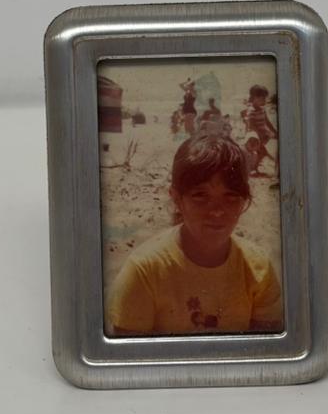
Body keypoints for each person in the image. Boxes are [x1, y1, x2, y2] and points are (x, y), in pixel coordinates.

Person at [106, 133, 282, 336]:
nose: (217, 211)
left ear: (244, 200)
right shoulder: (144, 272)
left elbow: (266, 350)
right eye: (200, 196)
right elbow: (130, 353)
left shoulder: (258, 270)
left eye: (231, 196)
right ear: (177, 199)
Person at [241, 84, 278, 177]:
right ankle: (252, 168)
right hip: (255, 135)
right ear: (255, 98)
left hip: (263, 134)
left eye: (265, 98)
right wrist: (258, 134)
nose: (264, 101)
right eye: (262, 99)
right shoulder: (251, 111)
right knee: (257, 152)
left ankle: (255, 167)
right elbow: (251, 125)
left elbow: (267, 122)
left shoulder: (262, 110)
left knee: (261, 153)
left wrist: (274, 131)